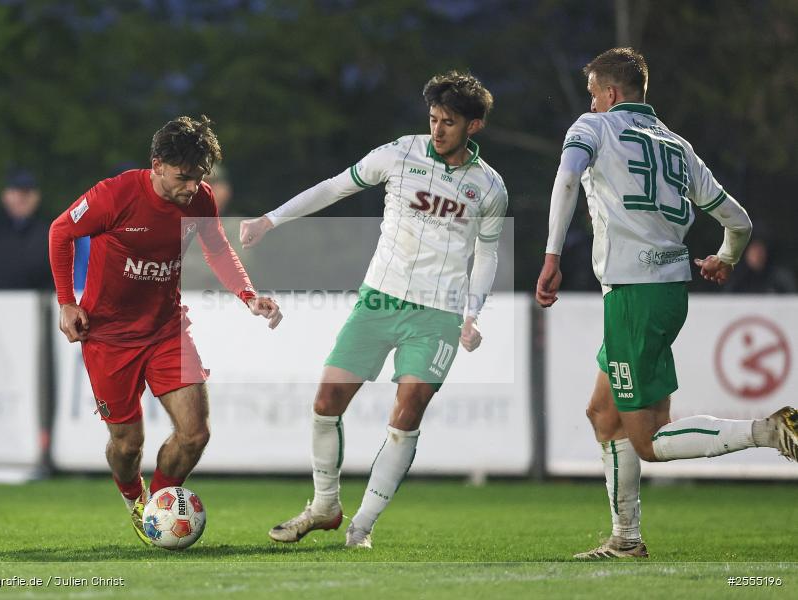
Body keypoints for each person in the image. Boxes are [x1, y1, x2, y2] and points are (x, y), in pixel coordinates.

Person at [535, 47, 798, 559]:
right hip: (667, 292)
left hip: (633, 295)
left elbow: (566, 178)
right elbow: (739, 221)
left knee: (649, 441)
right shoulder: (678, 145)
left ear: (611, 94)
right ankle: (625, 540)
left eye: (593, 94)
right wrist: (725, 258)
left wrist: (551, 255)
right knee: (603, 413)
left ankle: (769, 430)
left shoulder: (594, 128)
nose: (590, 103)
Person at [241, 71, 507, 548]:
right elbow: (334, 187)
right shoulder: (400, 153)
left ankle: (361, 526)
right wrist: (271, 219)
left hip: (438, 314)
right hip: (378, 300)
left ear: (474, 126)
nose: (437, 129)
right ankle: (324, 506)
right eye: (433, 118)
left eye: (449, 122)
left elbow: (487, 254)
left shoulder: (489, 187)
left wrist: (473, 313)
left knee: (407, 412)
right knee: (326, 402)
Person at [48, 115, 282, 545]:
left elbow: (217, 249)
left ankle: (157, 509)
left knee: (195, 434)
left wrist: (248, 295)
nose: (193, 187)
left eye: (199, 177)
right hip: (109, 337)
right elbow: (60, 231)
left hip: (165, 330)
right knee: (127, 445)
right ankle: (133, 497)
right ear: (157, 165)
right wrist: (67, 301)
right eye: (183, 177)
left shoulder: (200, 199)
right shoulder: (115, 195)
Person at [0, 171, 53, 289]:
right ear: (5, 196)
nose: (22, 198)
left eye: (27, 193)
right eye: (16, 192)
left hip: (35, 299)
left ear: (37, 197)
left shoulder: (50, 234)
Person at [723, 238, 797, 294]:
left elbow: (791, 299)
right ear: (746, 253)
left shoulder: (779, 277)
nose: (757, 255)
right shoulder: (737, 278)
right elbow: (727, 301)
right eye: (754, 251)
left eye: (760, 251)